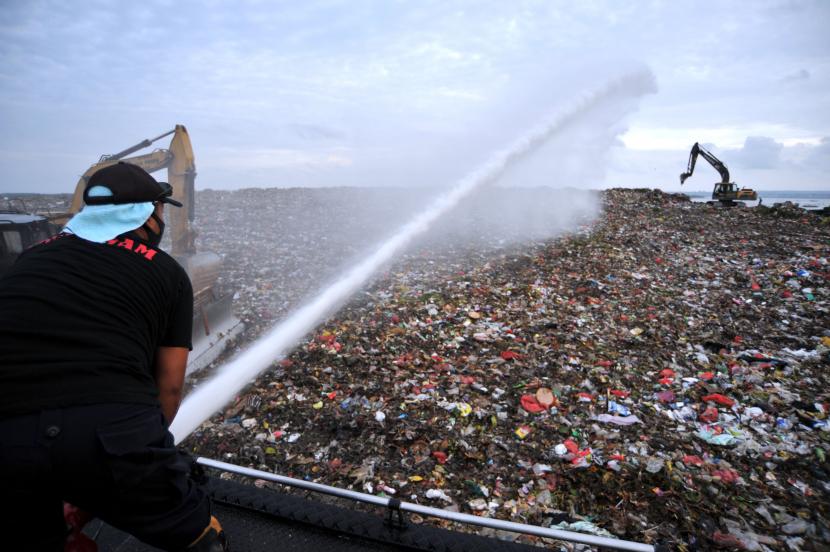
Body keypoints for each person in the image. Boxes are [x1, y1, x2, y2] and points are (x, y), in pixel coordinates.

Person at [0, 162, 227, 551]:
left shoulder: (29, 259)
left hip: (8, 433)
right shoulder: (166, 272)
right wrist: (137, 457)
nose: (162, 221)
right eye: (159, 211)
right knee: (202, 535)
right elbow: (169, 389)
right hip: (110, 430)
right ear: (145, 215)